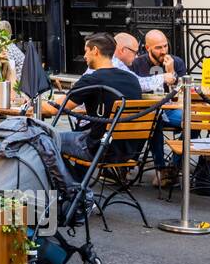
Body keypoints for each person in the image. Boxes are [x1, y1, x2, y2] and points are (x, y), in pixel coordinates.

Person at [54, 33, 143, 162]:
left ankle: (66, 180)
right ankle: (77, 177)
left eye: (86, 51)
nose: (84, 56)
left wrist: (33, 103)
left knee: (48, 138)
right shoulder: (132, 79)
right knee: (82, 135)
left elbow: (55, 108)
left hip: (99, 148)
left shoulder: (91, 79)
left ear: (95, 50)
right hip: (128, 151)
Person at [124, 29, 186, 185]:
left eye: (165, 46)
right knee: (154, 119)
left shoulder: (177, 62)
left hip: (172, 110)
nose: (163, 51)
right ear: (147, 48)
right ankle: (160, 169)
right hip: (148, 111)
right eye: (158, 47)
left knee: (194, 121)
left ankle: (174, 166)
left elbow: (181, 94)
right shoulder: (136, 63)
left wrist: (171, 72)